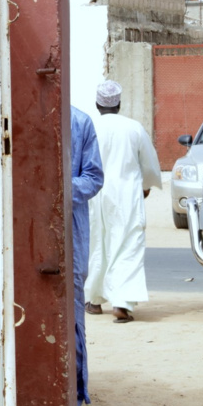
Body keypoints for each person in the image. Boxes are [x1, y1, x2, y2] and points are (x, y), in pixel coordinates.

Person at [85, 81, 161, 323]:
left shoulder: (88, 126)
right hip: (126, 194)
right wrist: (146, 186)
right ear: (119, 104)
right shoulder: (133, 128)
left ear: (97, 104)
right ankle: (122, 303)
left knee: (97, 244)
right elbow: (148, 164)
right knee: (127, 244)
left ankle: (94, 300)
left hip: (94, 194)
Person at [70, 106, 104, 406]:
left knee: (72, 318)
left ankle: (73, 398)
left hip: (71, 238)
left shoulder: (80, 122)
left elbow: (94, 177)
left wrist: (60, 190)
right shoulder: (19, 117)